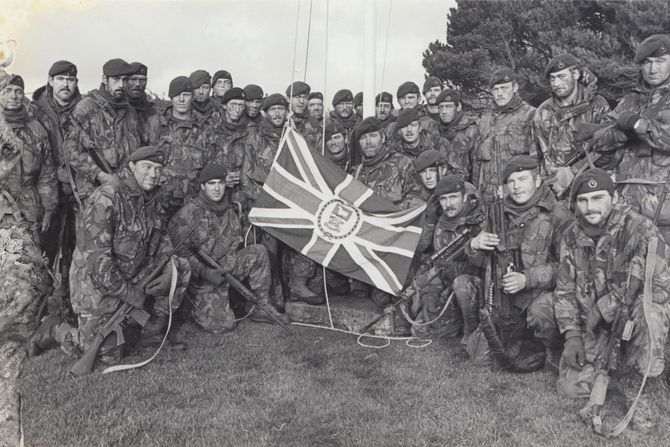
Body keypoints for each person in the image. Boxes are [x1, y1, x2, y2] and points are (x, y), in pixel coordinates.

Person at [30, 146, 192, 365]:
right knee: (105, 356)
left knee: (179, 268)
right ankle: (54, 328)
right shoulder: (108, 197)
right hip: (96, 286)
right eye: (147, 167)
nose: (153, 174)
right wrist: (131, 295)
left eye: (158, 169)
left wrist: (166, 268)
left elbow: (161, 237)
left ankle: (151, 332)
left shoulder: (151, 199)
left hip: (131, 274)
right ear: (132, 166)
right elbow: (98, 262)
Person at [555, 168, 670, 433]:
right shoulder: (572, 235)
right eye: (583, 200)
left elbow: (661, 287)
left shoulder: (642, 229)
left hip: (633, 317)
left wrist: (604, 306)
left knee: (649, 314)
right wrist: (572, 334)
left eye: (597, 198)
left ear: (614, 196)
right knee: (570, 388)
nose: (590, 206)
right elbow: (564, 290)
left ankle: (641, 387)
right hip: (595, 324)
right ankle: (612, 368)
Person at [466, 155, 569, 368]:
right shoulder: (497, 213)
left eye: (522, 179)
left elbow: (569, 267)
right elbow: (480, 262)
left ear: (537, 181)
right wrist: (474, 246)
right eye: (511, 181)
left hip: (540, 296)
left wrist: (527, 279)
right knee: (481, 360)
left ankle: (554, 348)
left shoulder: (558, 214)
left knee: (540, 313)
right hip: (505, 299)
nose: (516, 187)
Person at [0, 71, 55, 444]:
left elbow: (48, 171)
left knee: (31, 272)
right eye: (8, 90)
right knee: (14, 268)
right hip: (4, 216)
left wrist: (50, 205)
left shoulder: (36, 128)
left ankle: (20, 322)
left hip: (30, 211)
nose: (15, 95)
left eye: (19, 89)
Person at [168, 164, 289, 333]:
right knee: (225, 325)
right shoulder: (187, 215)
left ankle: (261, 306)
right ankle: (194, 308)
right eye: (211, 183)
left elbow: (235, 243)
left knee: (259, 252)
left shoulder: (229, 211)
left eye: (220, 183)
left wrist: (227, 267)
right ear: (202, 186)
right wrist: (205, 272)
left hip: (224, 268)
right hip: (203, 278)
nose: (217, 188)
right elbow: (181, 254)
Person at [586, 34, 670, 244]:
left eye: (660, 62)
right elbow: (598, 140)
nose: (653, 69)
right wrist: (624, 131)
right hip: (627, 205)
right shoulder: (629, 101)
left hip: (665, 206)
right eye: (647, 63)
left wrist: (639, 126)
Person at [31, 60, 83, 311]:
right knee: (43, 253)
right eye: (61, 79)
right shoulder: (35, 112)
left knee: (74, 253)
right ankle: (35, 308)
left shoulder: (85, 111)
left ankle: (69, 305)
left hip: (76, 193)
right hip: (45, 196)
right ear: (50, 81)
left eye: (71, 80)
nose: (66, 84)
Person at [409, 175, 484, 339]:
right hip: (448, 285)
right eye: (443, 199)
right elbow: (428, 251)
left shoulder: (479, 222)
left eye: (453, 197)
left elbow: (483, 268)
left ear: (464, 197)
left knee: (461, 284)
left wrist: (452, 270)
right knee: (419, 330)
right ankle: (452, 322)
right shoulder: (442, 222)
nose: (448, 204)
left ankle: (470, 334)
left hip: (474, 288)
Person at [533, 53, 611, 198]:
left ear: (575, 74)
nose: (556, 84)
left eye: (561, 77)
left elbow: (608, 148)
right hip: (553, 191)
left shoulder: (597, 105)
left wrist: (575, 171)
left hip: (588, 190)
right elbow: (536, 156)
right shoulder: (543, 112)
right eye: (552, 78)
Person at [64, 58, 140, 204]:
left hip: (123, 186)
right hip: (92, 188)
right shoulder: (85, 108)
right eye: (116, 79)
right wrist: (99, 174)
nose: (121, 85)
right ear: (105, 79)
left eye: (125, 80)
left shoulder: (130, 111)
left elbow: (133, 149)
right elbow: (71, 152)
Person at [474, 68, 535, 203]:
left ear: (515, 87)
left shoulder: (530, 115)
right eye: (495, 89)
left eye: (504, 88)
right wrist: (477, 193)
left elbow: (537, 160)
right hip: (488, 197)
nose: (500, 94)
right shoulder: (485, 119)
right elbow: (478, 161)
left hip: (516, 195)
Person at [156, 76, 214, 218]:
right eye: (177, 95)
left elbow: (209, 168)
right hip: (158, 201)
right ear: (171, 97)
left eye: (186, 95)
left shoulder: (205, 128)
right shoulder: (156, 124)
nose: (181, 100)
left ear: (192, 97)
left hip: (193, 203)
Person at [435, 89, 479, 182]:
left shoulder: (471, 131)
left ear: (458, 107)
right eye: (441, 107)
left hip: (464, 187)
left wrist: (474, 193)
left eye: (448, 107)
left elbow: (477, 166)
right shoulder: (435, 131)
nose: (444, 111)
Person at [388, 108, 455, 167]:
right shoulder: (394, 150)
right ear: (399, 131)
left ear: (420, 128)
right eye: (405, 126)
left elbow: (457, 171)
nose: (409, 130)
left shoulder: (439, 143)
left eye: (413, 125)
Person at [126, 62, 160, 145]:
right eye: (133, 79)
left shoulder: (154, 113)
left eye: (142, 80)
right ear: (126, 81)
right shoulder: (117, 110)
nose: (137, 84)